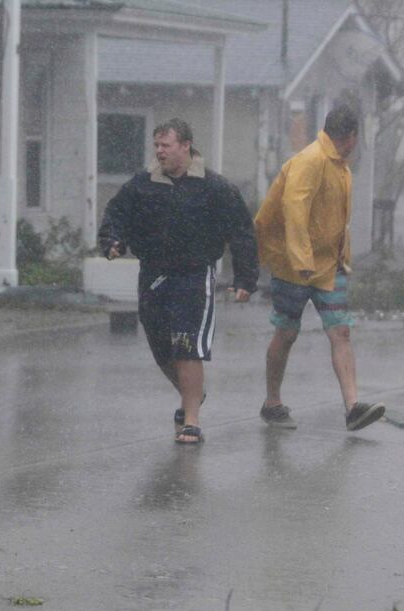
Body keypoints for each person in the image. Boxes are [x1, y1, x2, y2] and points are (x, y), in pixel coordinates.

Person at [99, 118, 259, 445]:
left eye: (166, 145)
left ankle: (191, 421)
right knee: (162, 348)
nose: (159, 151)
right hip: (154, 274)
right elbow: (116, 215)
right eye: (156, 146)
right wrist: (112, 241)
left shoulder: (214, 187)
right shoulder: (142, 185)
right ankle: (192, 396)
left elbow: (242, 232)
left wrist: (244, 278)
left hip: (194, 274)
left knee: (187, 345)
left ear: (185, 146)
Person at [254, 104, 385, 431]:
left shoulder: (339, 165)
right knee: (286, 333)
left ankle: (353, 407)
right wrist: (301, 260)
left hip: (330, 266)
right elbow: (294, 209)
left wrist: (341, 257)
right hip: (293, 266)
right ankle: (272, 403)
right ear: (353, 137)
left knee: (340, 330)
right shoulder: (310, 160)